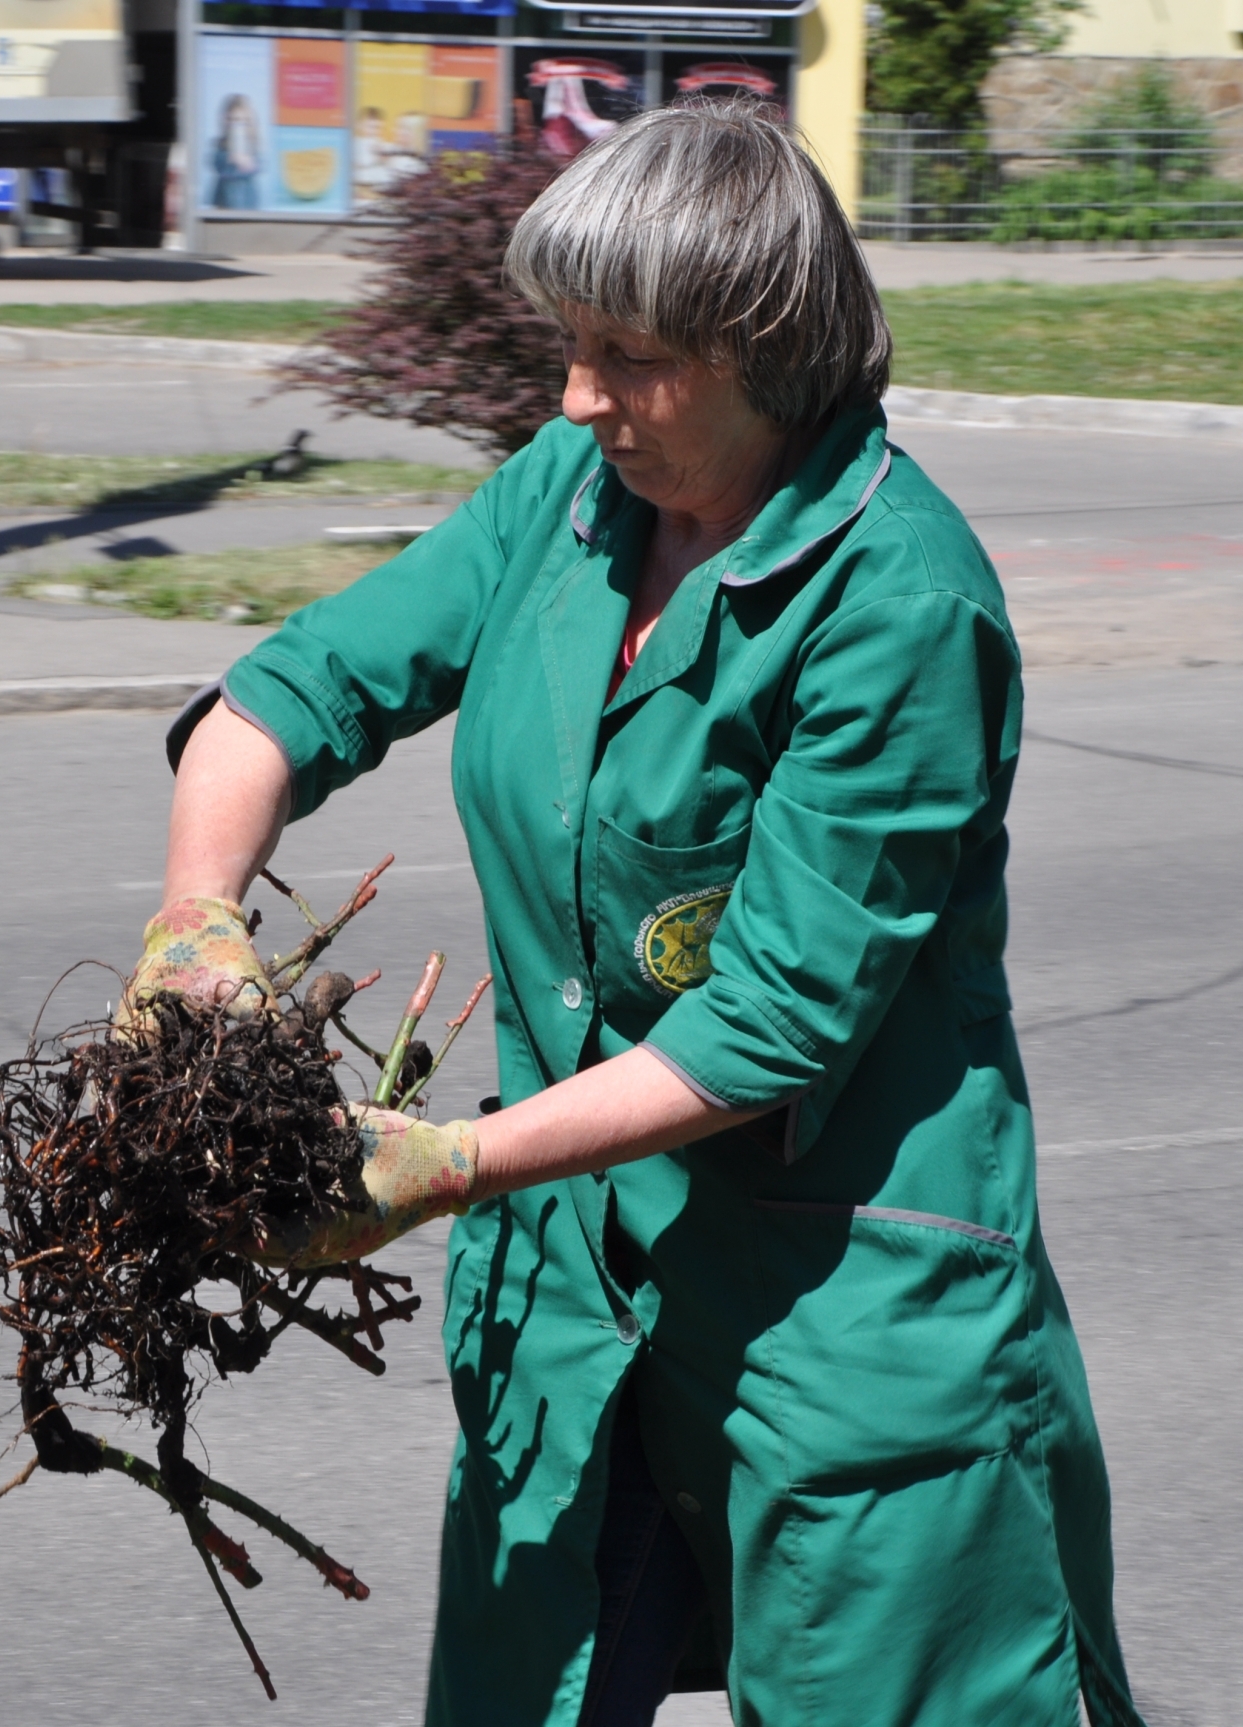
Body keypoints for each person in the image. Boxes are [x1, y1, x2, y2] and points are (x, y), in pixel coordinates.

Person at [128, 104, 1144, 1727]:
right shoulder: (571, 494)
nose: (577, 394)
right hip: (574, 1308)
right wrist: (195, 918)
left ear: (763, 347)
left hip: (834, 1322)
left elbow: (772, 1023)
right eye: (570, 345)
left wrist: (446, 1165)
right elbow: (296, 690)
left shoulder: (898, 600)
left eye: (628, 356)